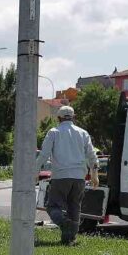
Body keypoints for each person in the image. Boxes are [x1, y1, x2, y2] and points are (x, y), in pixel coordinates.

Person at [35, 105, 99, 245]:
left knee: (52, 206)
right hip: (79, 177)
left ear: (58, 118)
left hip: (61, 176)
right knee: (75, 207)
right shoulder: (83, 133)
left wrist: (35, 171)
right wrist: (95, 174)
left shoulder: (54, 132)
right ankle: (70, 239)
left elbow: (44, 154)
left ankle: (64, 224)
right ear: (74, 117)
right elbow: (92, 155)